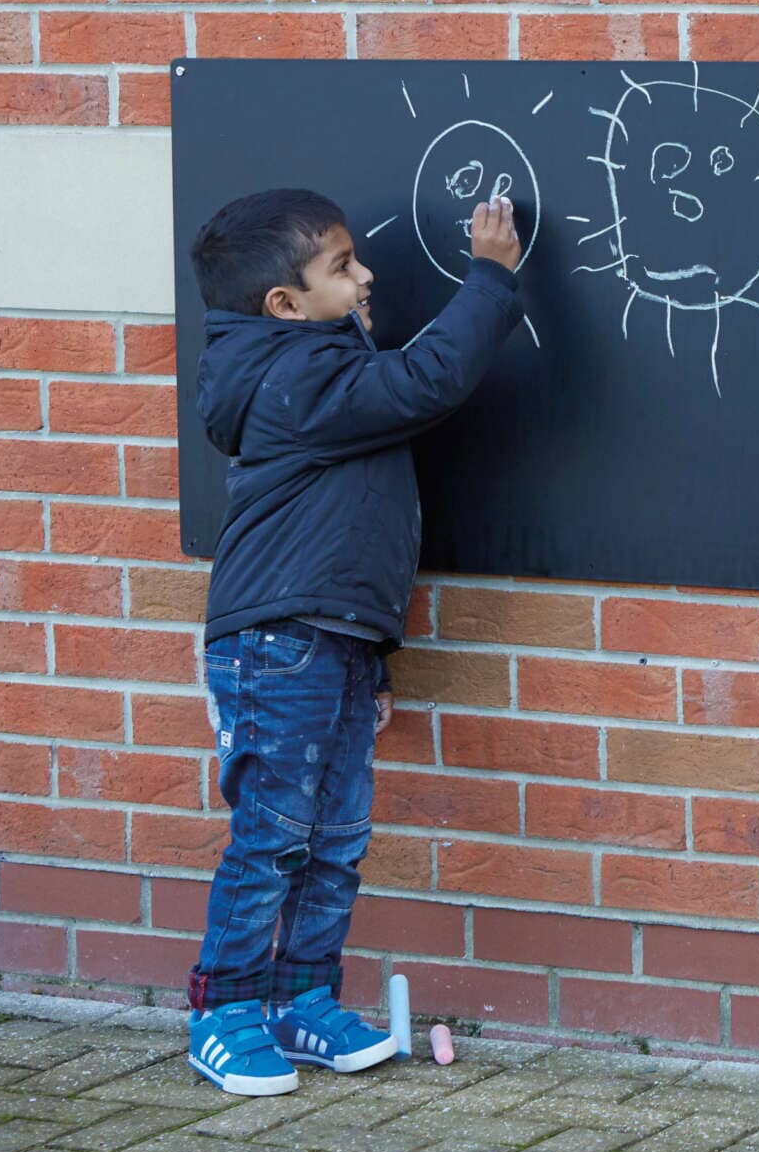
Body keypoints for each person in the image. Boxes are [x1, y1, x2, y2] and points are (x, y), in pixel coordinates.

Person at [181, 185, 526, 1095]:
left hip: (333, 641)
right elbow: (426, 380)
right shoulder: (295, 379)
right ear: (285, 305)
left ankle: (302, 999)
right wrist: (491, 278)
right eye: (342, 266)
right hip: (278, 643)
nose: (366, 274)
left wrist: (374, 656)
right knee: (274, 837)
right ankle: (223, 1013)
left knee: (335, 838)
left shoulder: (312, 363)